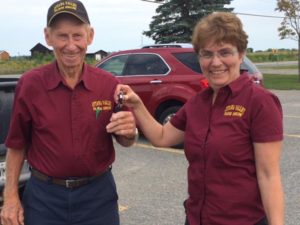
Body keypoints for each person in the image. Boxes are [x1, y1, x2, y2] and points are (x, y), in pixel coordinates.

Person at [107, 12, 285, 225]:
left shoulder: (260, 102)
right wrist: (136, 104)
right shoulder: (198, 102)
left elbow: (269, 176)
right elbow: (162, 137)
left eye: (225, 52)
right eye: (206, 54)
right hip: (197, 218)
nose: (215, 62)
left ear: (241, 54)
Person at [1, 1, 137, 225]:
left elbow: (125, 139)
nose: (71, 45)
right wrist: (11, 198)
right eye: (62, 36)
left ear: (90, 36)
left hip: (98, 197)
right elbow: (16, 145)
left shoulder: (108, 84)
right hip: (45, 198)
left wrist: (130, 133)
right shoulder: (30, 84)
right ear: (48, 37)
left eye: (77, 35)